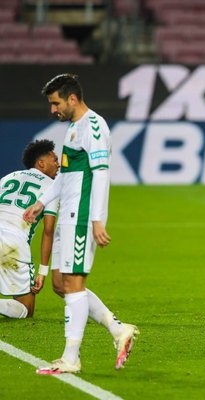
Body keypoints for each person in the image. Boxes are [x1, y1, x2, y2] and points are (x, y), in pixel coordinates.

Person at [23, 74, 139, 374]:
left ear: (72, 98)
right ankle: (118, 330)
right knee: (61, 284)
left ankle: (71, 358)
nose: (53, 110)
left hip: (82, 216)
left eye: (55, 103)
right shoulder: (75, 128)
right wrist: (42, 202)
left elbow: (100, 173)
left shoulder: (95, 127)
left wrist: (97, 219)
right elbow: (65, 175)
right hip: (68, 214)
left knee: (74, 284)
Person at [0, 140, 59, 318]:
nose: (58, 165)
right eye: (54, 160)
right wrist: (42, 271)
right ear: (41, 163)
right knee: (26, 309)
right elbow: (48, 230)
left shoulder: (8, 177)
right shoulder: (52, 187)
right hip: (14, 245)